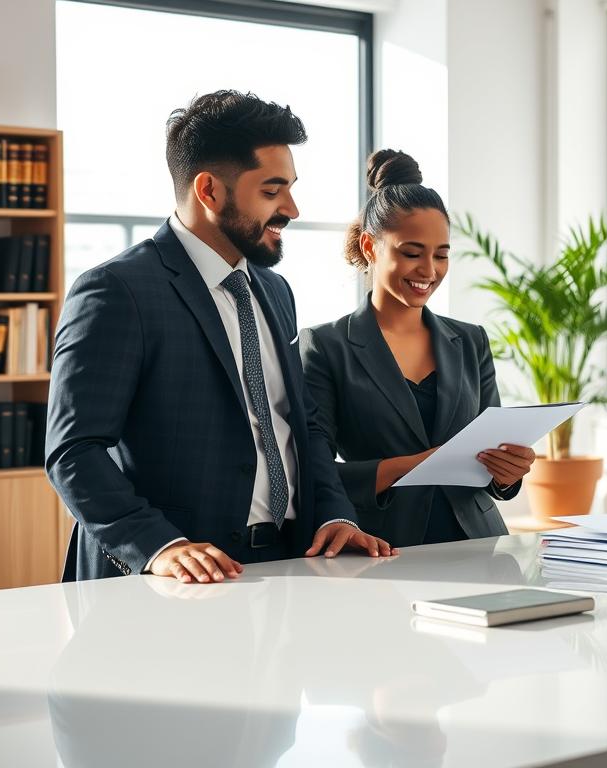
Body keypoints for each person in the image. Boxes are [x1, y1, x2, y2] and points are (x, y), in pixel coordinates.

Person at [47, 90, 394, 584]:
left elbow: (302, 424)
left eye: (291, 188)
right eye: (272, 191)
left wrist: (335, 514)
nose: (291, 209)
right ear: (209, 190)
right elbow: (73, 450)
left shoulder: (274, 290)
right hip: (173, 579)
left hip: (289, 564)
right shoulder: (117, 291)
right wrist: (159, 546)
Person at [298, 149, 533, 547]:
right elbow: (312, 471)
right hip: (382, 546)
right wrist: (419, 465)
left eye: (441, 255)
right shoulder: (325, 346)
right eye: (412, 253)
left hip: (479, 544)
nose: (429, 270)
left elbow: (492, 462)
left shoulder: (471, 341)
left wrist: (508, 472)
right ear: (370, 247)